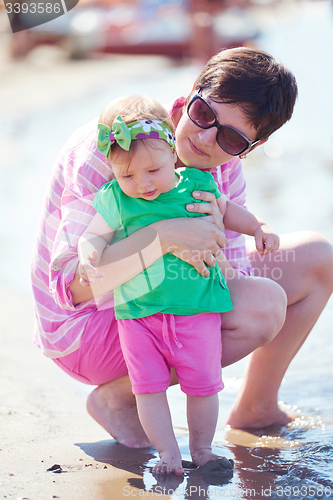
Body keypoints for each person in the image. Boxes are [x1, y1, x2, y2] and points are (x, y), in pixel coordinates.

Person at [31, 47, 333, 449]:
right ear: (192, 92)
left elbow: (230, 284)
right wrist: (164, 237)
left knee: (318, 259)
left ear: (252, 147)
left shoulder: (224, 168)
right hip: (85, 329)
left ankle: (256, 407)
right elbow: (73, 288)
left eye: (229, 137)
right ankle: (118, 398)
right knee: (262, 306)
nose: (205, 139)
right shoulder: (117, 147)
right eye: (205, 115)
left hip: (158, 298)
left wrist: (212, 243)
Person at [77, 95, 279, 474]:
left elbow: (228, 210)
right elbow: (94, 234)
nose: (143, 183)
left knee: (204, 385)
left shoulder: (196, 183)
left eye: (152, 170)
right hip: (138, 316)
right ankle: (168, 453)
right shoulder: (115, 198)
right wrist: (89, 252)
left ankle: (202, 448)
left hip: (196, 309)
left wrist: (258, 228)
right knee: (148, 389)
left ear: (172, 153)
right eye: (128, 175)